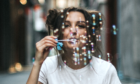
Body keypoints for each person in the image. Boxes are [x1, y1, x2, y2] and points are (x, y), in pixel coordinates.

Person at [26, 7, 121, 84]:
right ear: (59, 34)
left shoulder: (106, 70)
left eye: (80, 26)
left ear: (89, 36)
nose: (74, 31)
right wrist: (38, 63)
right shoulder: (48, 65)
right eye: (66, 25)